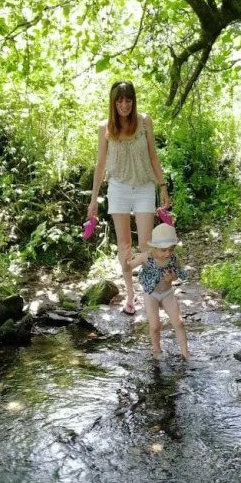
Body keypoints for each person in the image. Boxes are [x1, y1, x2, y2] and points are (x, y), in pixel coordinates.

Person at [87, 80, 170, 316]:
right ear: (113, 103)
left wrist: (162, 187)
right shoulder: (105, 128)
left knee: (146, 246)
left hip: (144, 187)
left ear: (133, 101)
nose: (125, 105)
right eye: (120, 101)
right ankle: (130, 295)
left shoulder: (144, 122)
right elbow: (100, 165)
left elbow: (153, 157)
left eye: (128, 100)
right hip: (118, 189)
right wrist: (93, 199)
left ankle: (149, 293)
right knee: (124, 246)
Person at [125, 223, 190, 361]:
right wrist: (125, 261)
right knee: (155, 326)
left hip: (167, 292)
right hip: (151, 294)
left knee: (178, 322)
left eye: (171, 249)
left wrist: (173, 277)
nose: (168, 254)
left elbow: (181, 273)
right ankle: (157, 349)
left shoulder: (173, 258)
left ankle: (185, 353)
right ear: (154, 248)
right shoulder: (146, 257)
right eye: (164, 250)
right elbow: (129, 267)